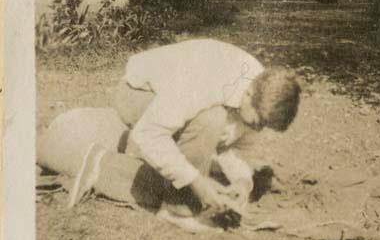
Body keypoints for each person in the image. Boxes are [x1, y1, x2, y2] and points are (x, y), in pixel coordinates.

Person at [108, 38, 301, 215]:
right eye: (257, 124)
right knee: (211, 120)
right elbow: (149, 132)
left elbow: (237, 148)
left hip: (172, 108)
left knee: (215, 127)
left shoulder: (260, 90)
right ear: (249, 94)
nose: (258, 130)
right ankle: (177, 208)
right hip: (136, 93)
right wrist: (196, 181)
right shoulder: (204, 81)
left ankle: (151, 156)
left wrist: (242, 182)